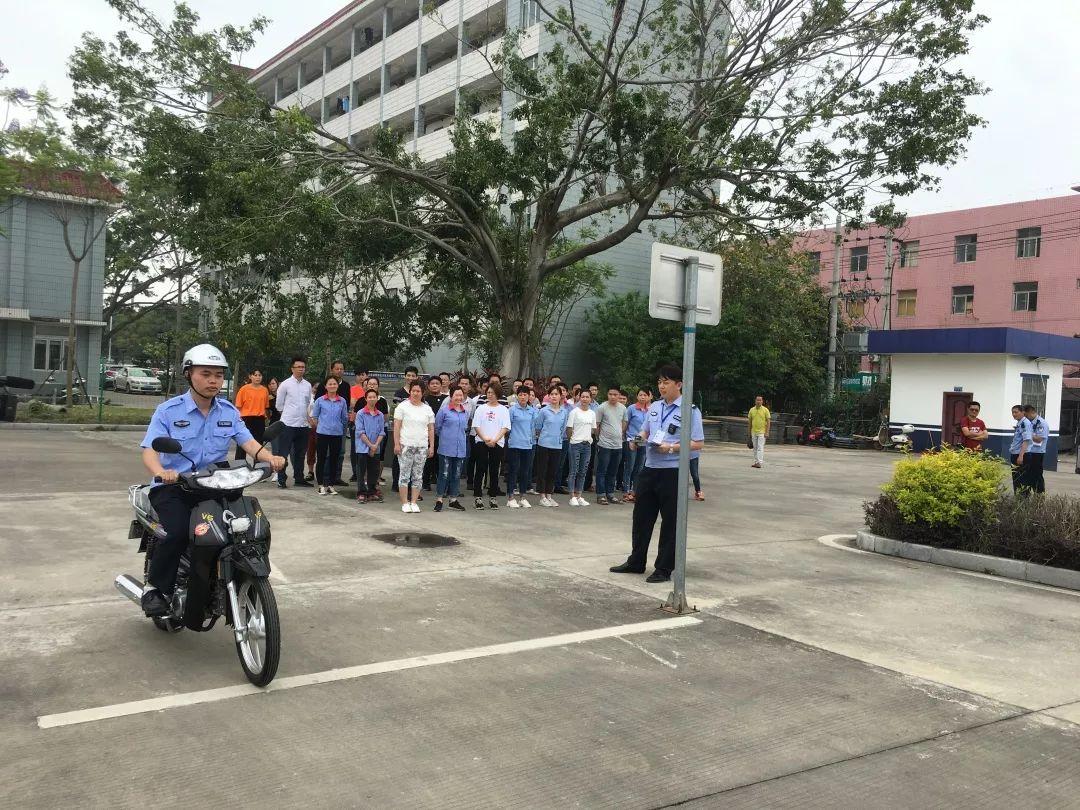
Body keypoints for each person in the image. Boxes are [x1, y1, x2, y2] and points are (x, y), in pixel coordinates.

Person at [137, 344, 284, 616]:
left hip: (215, 485)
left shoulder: (228, 411)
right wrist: (160, 471)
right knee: (178, 532)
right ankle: (156, 589)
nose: (213, 380)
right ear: (189, 374)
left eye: (218, 375)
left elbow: (248, 441)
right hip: (175, 488)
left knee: (248, 528)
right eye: (206, 374)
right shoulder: (168, 411)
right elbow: (150, 449)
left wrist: (269, 457)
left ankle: (231, 580)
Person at [610, 364, 705, 583]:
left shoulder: (690, 410)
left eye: (666, 382)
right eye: (659, 382)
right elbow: (645, 430)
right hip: (650, 469)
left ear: (678, 384)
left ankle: (663, 568)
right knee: (641, 518)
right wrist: (637, 440)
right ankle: (636, 561)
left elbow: (697, 443)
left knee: (670, 522)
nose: (662, 386)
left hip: (673, 472)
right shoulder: (654, 407)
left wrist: (671, 448)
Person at [393, 381, 435, 513]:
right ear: (410, 392)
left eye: (418, 391)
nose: (415, 393)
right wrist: (396, 444)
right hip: (406, 445)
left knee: (418, 475)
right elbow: (397, 426)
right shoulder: (402, 407)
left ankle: (414, 502)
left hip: (421, 446)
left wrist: (431, 446)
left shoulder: (427, 409)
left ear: (423, 393)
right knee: (404, 475)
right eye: (413, 391)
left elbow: (431, 429)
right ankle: (405, 502)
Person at [275, 356, 314, 488]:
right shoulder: (285, 384)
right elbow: (279, 404)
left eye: (303, 367)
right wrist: (287, 415)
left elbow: (309, 403)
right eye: (298, 367)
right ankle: (281, 478)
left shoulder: (307, 385)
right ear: (292, 368)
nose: (301, 369)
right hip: (287, 424)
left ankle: (299, 478)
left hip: (303, 424)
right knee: (283, 453)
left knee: (300, 453)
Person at [471, 382, 511, 509]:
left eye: (492, 393)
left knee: (494, 471)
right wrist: (485, 439)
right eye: (488, 392)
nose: (490, 395)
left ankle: (493, 497)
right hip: (481, 442)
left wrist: (495, 440)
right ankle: (478, 497)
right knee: (480, 469)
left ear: (498, 394)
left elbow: (505, 427)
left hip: (497, 443)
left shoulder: (503, 409)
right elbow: (476, 425)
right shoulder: (481, 408)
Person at [311, 360, 351, 486]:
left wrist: (342, 424)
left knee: (338, 454)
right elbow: (315, 415)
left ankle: (334, 479)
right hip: (323, 430)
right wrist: (321, 426)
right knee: (323, 456)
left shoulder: (344, 394)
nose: (339, 371)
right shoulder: (321, 396)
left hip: (338, 430)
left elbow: (345, 413)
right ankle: (322, 481)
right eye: (337, 368)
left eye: (341, 368)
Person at [434, 388, 470, 512]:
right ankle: (439, 499)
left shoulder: (465, 412)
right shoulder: (444, 411)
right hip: (446, 448)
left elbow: (465, 429)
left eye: (461, 395)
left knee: (456, 475)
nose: (459, 398)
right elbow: (437, 428)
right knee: (444, 474)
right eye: (456, 395)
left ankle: (453, 500)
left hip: (460, 449)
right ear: (451, 396)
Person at [535, 385, 569, 507]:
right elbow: (538, 427)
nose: (554, 396)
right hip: (544, 444)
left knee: (553, 471)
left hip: (557, 445)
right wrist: (543, 436)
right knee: (542, 471)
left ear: (561, 396)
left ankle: (549, 495)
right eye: (552, 394)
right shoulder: (544, 411)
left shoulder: (564, 412)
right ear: (548, 396)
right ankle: (542, 496)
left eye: (556, 394)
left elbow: (563, 428)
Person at [506, 386, 539, 508]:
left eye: (526, 394)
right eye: (521, 394)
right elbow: (508, 427)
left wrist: (532, 440)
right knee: (513, 470)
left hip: (528, 445)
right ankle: (510, 497)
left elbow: (534, 427)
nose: (523, 397)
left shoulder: (533, 411)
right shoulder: (512, 410)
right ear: (517, 396)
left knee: (525, 472)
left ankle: (523, 497)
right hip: (514, 444)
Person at [594, 386, 628, 504]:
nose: (613, 397)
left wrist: (619, 435)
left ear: (619, 395)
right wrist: (599, 438)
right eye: (610, 394)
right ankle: (601, 494)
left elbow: (624, 424)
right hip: (604, 444)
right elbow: (597, 425)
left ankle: (610, 493)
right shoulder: (602, 407)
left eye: (615, 394)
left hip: (618, 444)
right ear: (607, 394)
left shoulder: (623, 408)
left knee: (613, 471)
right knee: (602, 470)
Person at [565, 390, 598, 506]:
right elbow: (569, 428)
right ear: (579, 398)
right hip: (575, 444)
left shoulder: (592, 413)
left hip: (587, 444)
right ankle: (572, 496)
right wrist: (572, 440)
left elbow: (594, 429)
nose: (584, 399)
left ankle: (579, 495)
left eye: (587, 397)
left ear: (590, 399)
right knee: (573, 470)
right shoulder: (574, 412)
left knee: (583, 471)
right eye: (582, 397)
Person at [354, 388, 386, 503]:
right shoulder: (361, 413)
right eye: (369, 397)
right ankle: (361, 492)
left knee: (374, 470)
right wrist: (370, 445)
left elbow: (382, 431)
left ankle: (372, 491)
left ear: (377, 398)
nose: (372, 399)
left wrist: (375, 445)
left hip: (376, 447)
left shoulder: (380, 415)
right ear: (365, 399)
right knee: (361, 470)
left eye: (374, 397)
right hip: (362, 447)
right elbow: (360, 432)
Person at [391, 366, 420, 493]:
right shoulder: (399, 393)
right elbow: (395, 412)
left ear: (417, 377)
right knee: (398, 458)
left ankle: (410, 486)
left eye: (413, 376)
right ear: (405, 376)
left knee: (413, 460)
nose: (410, 378)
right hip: (402, 431)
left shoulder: (419, 392)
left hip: (415, 432)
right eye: (408, 375)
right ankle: (396, 483)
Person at [233, 369, 270, 460]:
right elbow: (238, 406)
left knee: (258, 445)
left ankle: (258, 466)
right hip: (246, 419)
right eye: (255, 375)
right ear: (250, 376)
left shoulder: (264, 390)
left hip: (259, 420)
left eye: (259, 375)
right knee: (242, 444)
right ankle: (239, 466)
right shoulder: (244, 389)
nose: (257, 377)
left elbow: (266, 407)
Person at [623, 387, 651, 503]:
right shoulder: (631, 409)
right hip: (632, 441)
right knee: (630, 467)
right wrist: (625, 438)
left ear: (649, 397)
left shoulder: (651, 410)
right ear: (637, 396)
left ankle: (635, 491)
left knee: (639, 469)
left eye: (645, 395)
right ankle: (626, 491)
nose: (643, 397)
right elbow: (626, 424)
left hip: (644, 442)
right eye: (640, 395)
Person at [423, 375, 449, 490]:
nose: (434, 385)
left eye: (437, 383)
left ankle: (440, 483)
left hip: (442, 433)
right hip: (427, 432)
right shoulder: (425, 399)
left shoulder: (447, 399)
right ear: (428, 386)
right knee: (428, 458)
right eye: (432, 383)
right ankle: (426, 482)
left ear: (441, 385)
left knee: (440, 458)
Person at [1024, 404, 1049, 494]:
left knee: (1037, 475)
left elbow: (1039, 439)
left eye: (1026, 415)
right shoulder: (1030, 423)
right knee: (1029, 475)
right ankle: (1030, 495)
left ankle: (1039, 496)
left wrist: (1027, 433)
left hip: (1037, 453)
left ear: (1031, 412)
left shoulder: (1041, 423)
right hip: (1029, 452)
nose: (1025, 417)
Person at [1009, 404, 1033, 496]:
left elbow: (1026, 441)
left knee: (1022, 479)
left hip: (1021, 455)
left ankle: (1023, 500)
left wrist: (1021, 456)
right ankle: (1019, 498)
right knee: (1017, 479)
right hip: (1016, 453)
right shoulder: (1020, 423)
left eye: (1016, 412)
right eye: (1012, 412)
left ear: (1023, 412)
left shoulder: (1024, 423)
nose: (1014, 414)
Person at [747, 395, 771, 469]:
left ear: (762, 401)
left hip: (762, 432)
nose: (758, 401)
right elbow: (750, 422)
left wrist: (767, 432)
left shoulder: (765, 410)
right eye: (757, 400)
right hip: (754, 432)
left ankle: (759, 462)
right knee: (755, 447)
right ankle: (756, 462)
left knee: (760, 447)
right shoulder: (751, 410)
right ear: (755, 401)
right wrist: (749, 433)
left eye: (760, 400)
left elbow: (768, 421)